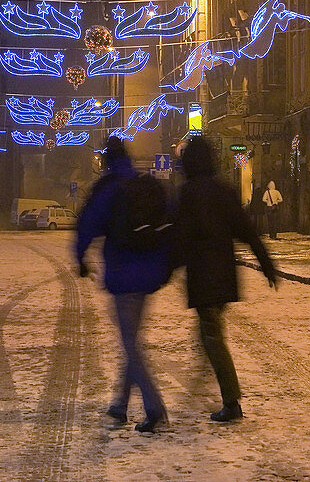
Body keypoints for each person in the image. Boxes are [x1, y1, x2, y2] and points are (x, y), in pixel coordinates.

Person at [175, 137, 278, 423]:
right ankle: (211, 379)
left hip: (203, 277)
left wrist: (161, 271)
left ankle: (231, 402)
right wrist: (266, 265)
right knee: (209, 333)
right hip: (223, 275)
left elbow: (178, 239)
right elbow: (247, 231)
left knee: (212, 337)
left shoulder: (189, 193)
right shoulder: (224, 191)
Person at [75, 137, 171, 434]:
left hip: (123, 274)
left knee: (131, 345)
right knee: (132, 341)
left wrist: (80, 257)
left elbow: (86, 224)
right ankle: (119, 405)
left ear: (106, 160)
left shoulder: (109, 188)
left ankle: (154, 408)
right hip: (148, 274)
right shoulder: (141, 183)